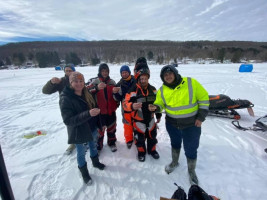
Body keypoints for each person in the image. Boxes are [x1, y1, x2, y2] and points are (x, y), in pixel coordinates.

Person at [150, 65, 209, 185]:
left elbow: (204, 99)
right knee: (175, 144)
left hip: (191, 125)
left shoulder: (191, 83)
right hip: (172, 124)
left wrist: (201, 117)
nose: (168, 76)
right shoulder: (162, 90)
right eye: (165, 75)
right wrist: (155, 107)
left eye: (170, 73)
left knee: (191, 148)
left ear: (175, 73)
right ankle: (174, 162)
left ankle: (191, 171)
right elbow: (159, 103)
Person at [59, 72, 105, 185]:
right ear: (70, 82)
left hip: (92, 127)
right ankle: (84, 172)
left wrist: (100, 123)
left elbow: (94, 107)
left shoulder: (86, 92)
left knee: (93, 146)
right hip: (79, 132)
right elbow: (68, 120)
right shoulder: (66, 98)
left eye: (81, 81)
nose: (79, 84)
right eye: (76, 81)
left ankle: (95, 162)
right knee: (81, 153)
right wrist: (88, 114)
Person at [123, 65, 162, 162]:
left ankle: (152, 150)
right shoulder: (133, 90)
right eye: (141, 79)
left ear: (148, 78)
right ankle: (141, 152)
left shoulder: (153, 89)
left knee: (152, 136)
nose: (143, 80)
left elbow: (158, 103)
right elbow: (125, 104)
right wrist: (132, 106)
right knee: (139, 139)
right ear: (138, 79)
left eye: (145, 78)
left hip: (151, 118)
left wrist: (158, 114)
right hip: (138, 120)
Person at [42, 63, 76, 155]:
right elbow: (45, 91)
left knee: (82, 122)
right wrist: (51, 83)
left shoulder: (78, 78)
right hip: (66, 107)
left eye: (70, 70)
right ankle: (73, 143)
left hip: (78, 106)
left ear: (74, 71)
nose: (68, 72)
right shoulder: (61, 81)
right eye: (66, 71)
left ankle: (84, 140)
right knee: (70, 125)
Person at [86, 63, 119, 152]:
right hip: (100, 112)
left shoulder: (112, 82)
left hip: (111, 110)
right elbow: (87, 91)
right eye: (103, 71)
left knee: (112, 128)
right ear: (100, 72)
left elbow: (117, 96)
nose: (105, 73)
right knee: (100, 130)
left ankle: (111, 143)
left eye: (106, 71)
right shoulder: (95, 81)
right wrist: (96, 88)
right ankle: (99, 145)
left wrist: (117, 101)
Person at [113, 65, 136, 149]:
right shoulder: (119, 84)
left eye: (126, 72)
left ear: (129, 72)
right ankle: (129, 139)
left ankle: (137, 138)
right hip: (125, 107)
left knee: (137, 122)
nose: (124, 74)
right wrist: (115, 93)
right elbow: (117, 98)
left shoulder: (135, 80)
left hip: (135, 106)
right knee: (127, 124)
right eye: (122, 73)